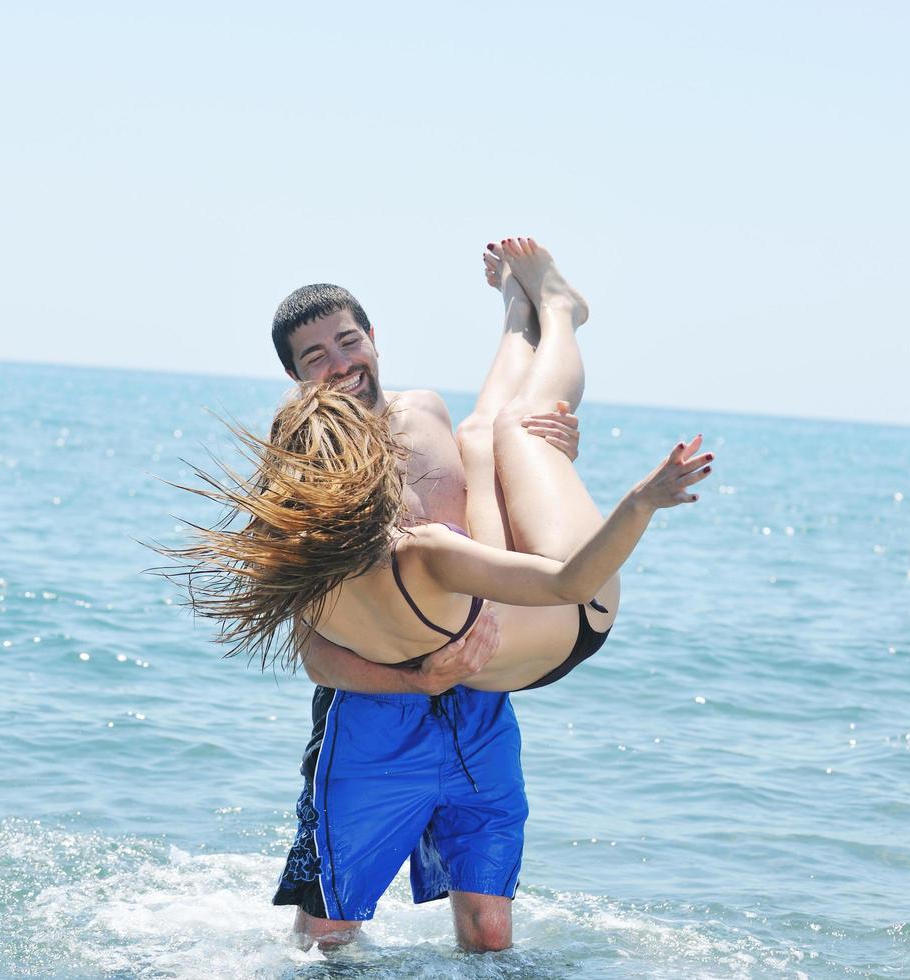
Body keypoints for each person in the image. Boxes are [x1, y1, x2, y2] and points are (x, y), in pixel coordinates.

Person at [173, 239, 712, 949]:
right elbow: (314, 652)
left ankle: (529, 309)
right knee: (329, 928)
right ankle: (548, 310)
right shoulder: (305, 476)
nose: (341, 365)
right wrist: (417, 678)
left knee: (488, 927)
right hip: (381, 705)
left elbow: (498, 504)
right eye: (317, 359)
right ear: (297, 381)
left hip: (484, 675)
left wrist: (551, 459)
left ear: (372, 339)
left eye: (349, 341)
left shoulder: (420, 413)